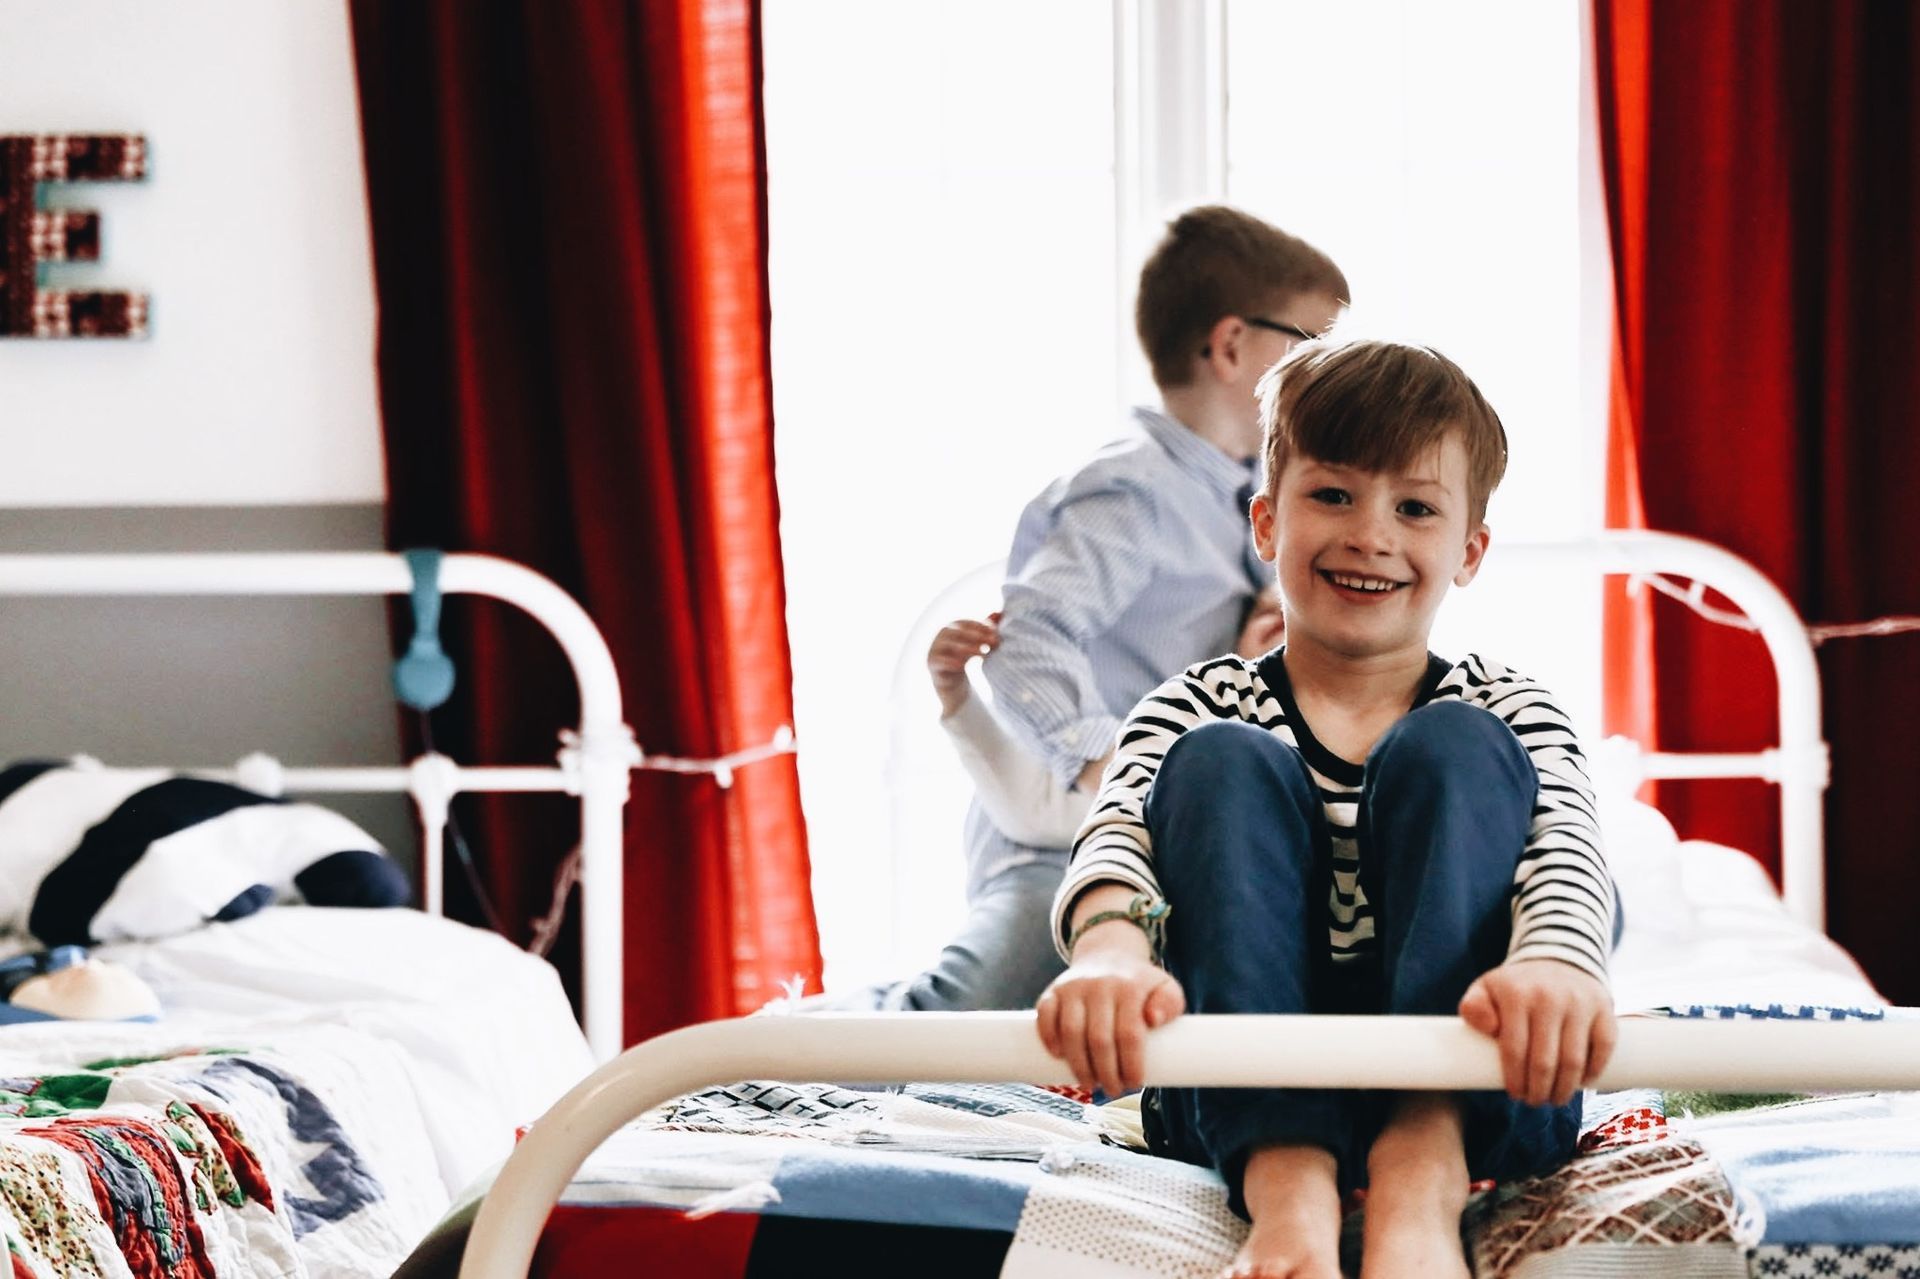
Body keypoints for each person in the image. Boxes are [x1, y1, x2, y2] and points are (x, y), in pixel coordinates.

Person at [1036, 338, 1618, 1279]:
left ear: (1468, 551)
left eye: (1416, 508)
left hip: (1477, 1083)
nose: (1371, 534)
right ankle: (1288, 1181)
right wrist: (1110, 949)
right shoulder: (1196, 701)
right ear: (1267, 522)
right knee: (1220, 761)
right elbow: (1120, 835)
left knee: (1460, 744)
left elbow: (1567, 850)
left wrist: (1554, 962)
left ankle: (1418, 1171)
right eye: (1333, 495)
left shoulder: (1508, 705)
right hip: (1233, 1079)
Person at [828, 207, 1343, 1014]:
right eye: (1313, 345)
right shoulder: (1136, 491)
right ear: (1233, 345)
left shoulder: (1261, 502)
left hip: (1172, 846)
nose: (1330, 372)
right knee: (974, 1010)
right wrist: (1115, 766)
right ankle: (807, 1040)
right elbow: (1030, 641)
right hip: (1059, 841)